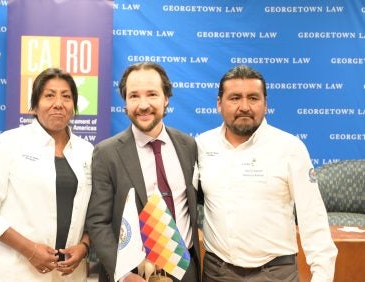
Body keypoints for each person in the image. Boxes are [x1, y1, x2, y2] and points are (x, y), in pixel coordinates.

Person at [196, 65, 337, 282]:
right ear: (219, 104)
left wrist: (322, 276)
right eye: (234, 98)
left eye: (253, 98)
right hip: (217, 273)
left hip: (275, 273)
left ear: (265, 104)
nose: (244, 106)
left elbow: (313, 217)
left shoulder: (290, 148)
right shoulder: (201, 146)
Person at [0, 67, 94, 281]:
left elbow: (95, 213)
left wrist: (84, 247)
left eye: (66, 96)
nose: (58, 103)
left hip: (68, 274)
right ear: (35, 106)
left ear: (74, 106)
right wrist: (30, 250)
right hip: (14, 270)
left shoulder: (87, 151)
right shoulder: (9, 142)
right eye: (49, 95)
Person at [87, 62, 201, 282]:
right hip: (134, 273)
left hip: (185, 271)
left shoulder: (188, 146)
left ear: (166, 98)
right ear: (125, 103)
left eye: (152, 94)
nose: (143, 105)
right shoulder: (106, 153)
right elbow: (97, 223)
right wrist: (124, 274)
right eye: (134, 96)